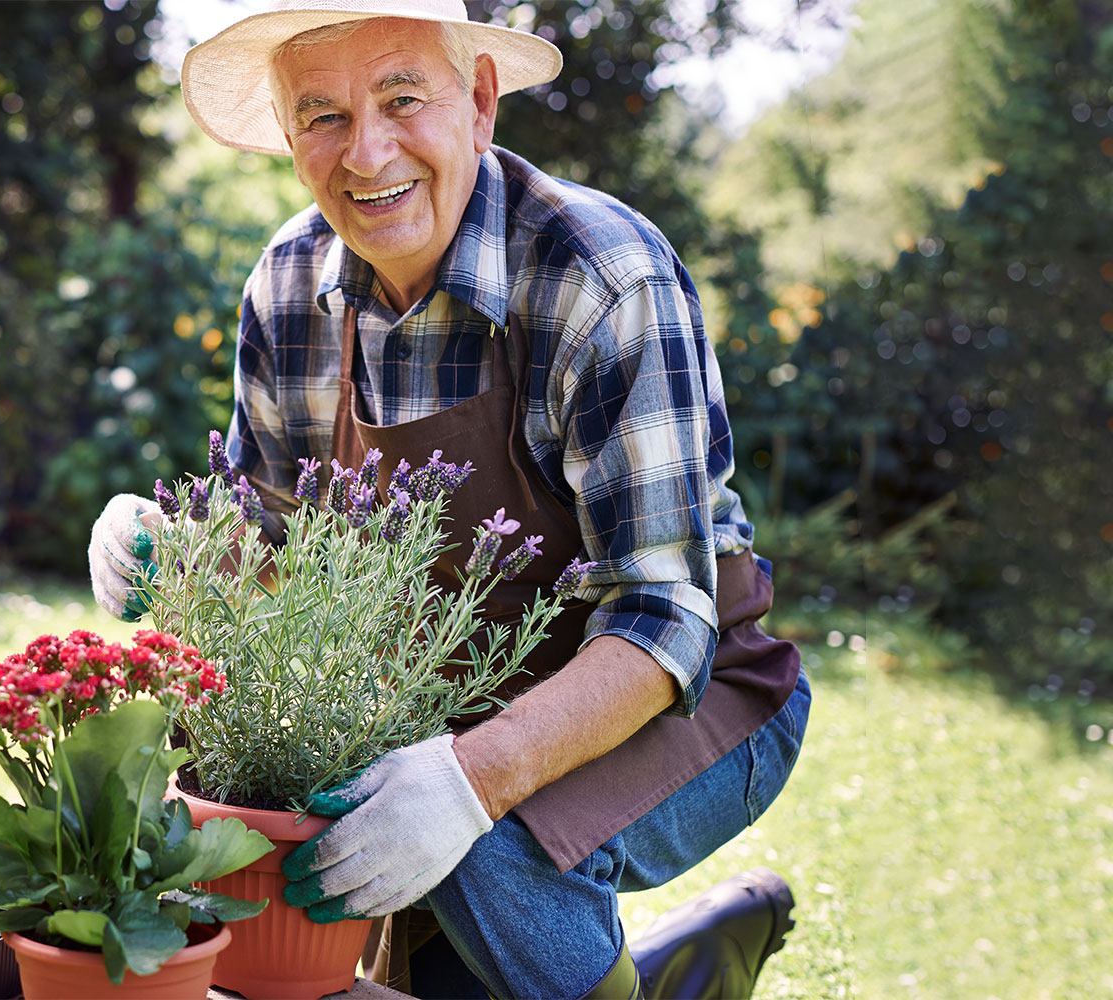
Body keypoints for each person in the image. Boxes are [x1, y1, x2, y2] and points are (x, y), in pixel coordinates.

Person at [88, 1, 811, 997]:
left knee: (489, 853)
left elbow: (663, 618)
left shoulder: (600, 276)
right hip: (450, 704)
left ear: (477, 102)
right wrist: (165, 544)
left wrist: (470, 780)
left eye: (401, 97)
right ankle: (696, 964)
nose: (366, 152)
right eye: (324, 116)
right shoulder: (290, 288)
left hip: (692, 686)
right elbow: (274, 553)